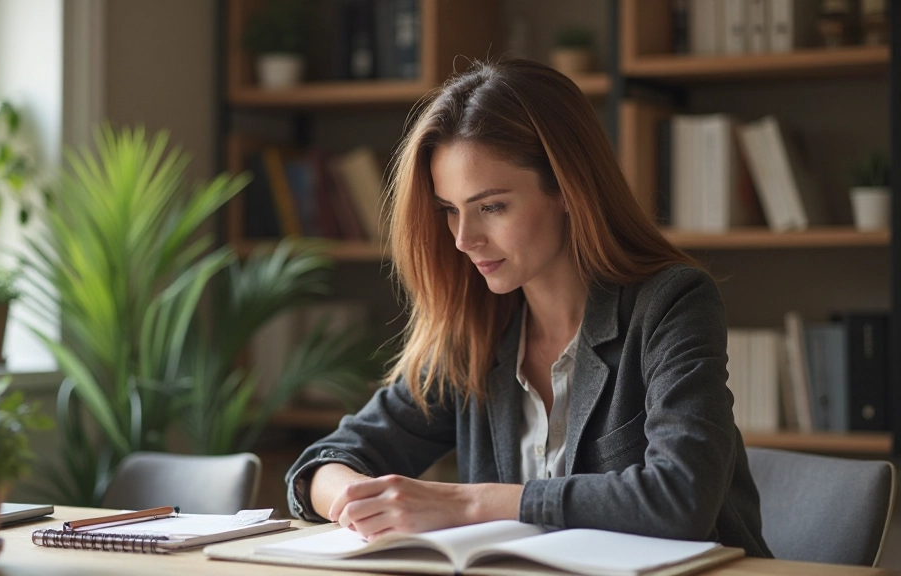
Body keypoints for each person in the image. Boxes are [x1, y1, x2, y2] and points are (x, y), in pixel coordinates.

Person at [284, 58, 773, 558]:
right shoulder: (476, 329)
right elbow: (319, 465)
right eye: (449, 210)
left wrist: (470, 503)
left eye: (491, 206)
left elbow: (681, 499)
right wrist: (361, 498)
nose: (463, 239)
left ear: (568, 189)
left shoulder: (672, 303)